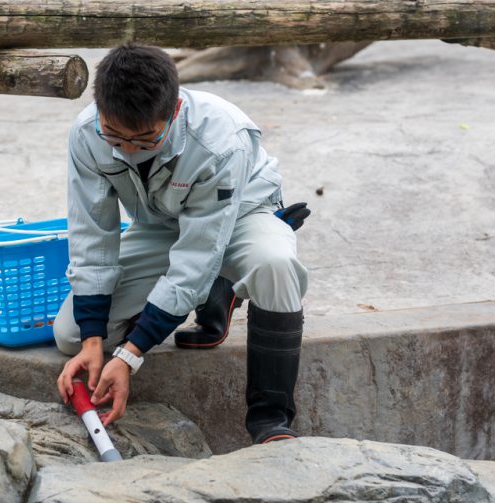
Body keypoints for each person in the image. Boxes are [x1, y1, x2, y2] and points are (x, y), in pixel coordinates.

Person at [54, 43, 309, 444]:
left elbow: (196, 257)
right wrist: (92, 342)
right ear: (98, 107)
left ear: (173, 111)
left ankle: (270, 419)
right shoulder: (87, 134)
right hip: (163, 223)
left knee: (274, 266)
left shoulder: (222, 139)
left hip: (243, 213)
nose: (128, 150)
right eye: (115, 137)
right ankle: (220, 288)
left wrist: (130, 355)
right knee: (69, 335)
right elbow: (92, 234)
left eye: (144, 139)